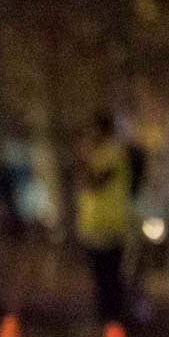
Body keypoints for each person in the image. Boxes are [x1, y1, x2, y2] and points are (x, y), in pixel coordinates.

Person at [75, 111, 132, 325]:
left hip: (111, 226)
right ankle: (105, 319)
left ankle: (114, 320)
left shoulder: (114, 152)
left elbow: (95, 181)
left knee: (111, 276)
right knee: (100, 277)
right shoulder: (94, 152)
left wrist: (84, 159)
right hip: (91, 226)